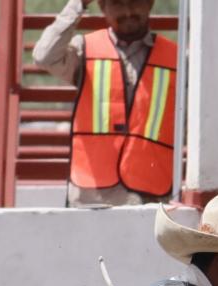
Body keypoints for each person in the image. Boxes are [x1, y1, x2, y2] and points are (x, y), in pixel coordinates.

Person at [32, 0, 177, 208]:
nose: (128, 11)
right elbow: (44, 56)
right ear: (102, 8)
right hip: (93, 197)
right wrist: (77, 4)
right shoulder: (84, 50)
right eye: (117, 3)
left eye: (135, 2)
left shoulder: (176, 58)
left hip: (150, 197)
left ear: (149, 4)